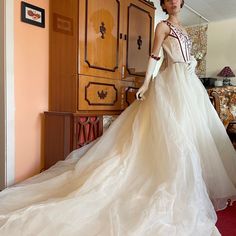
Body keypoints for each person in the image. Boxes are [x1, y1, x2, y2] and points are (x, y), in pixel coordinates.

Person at [0, 0, 235, 235]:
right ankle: (171, 183)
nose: (173, 1)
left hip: (188, 85)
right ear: (163, 4)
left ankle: (190, 187)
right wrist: (145, 84)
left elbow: (187, 58)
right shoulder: (162, 27)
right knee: (174, 136)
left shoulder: (184, 29)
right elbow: (155, 57)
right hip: (170, 83)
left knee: (191, 134)